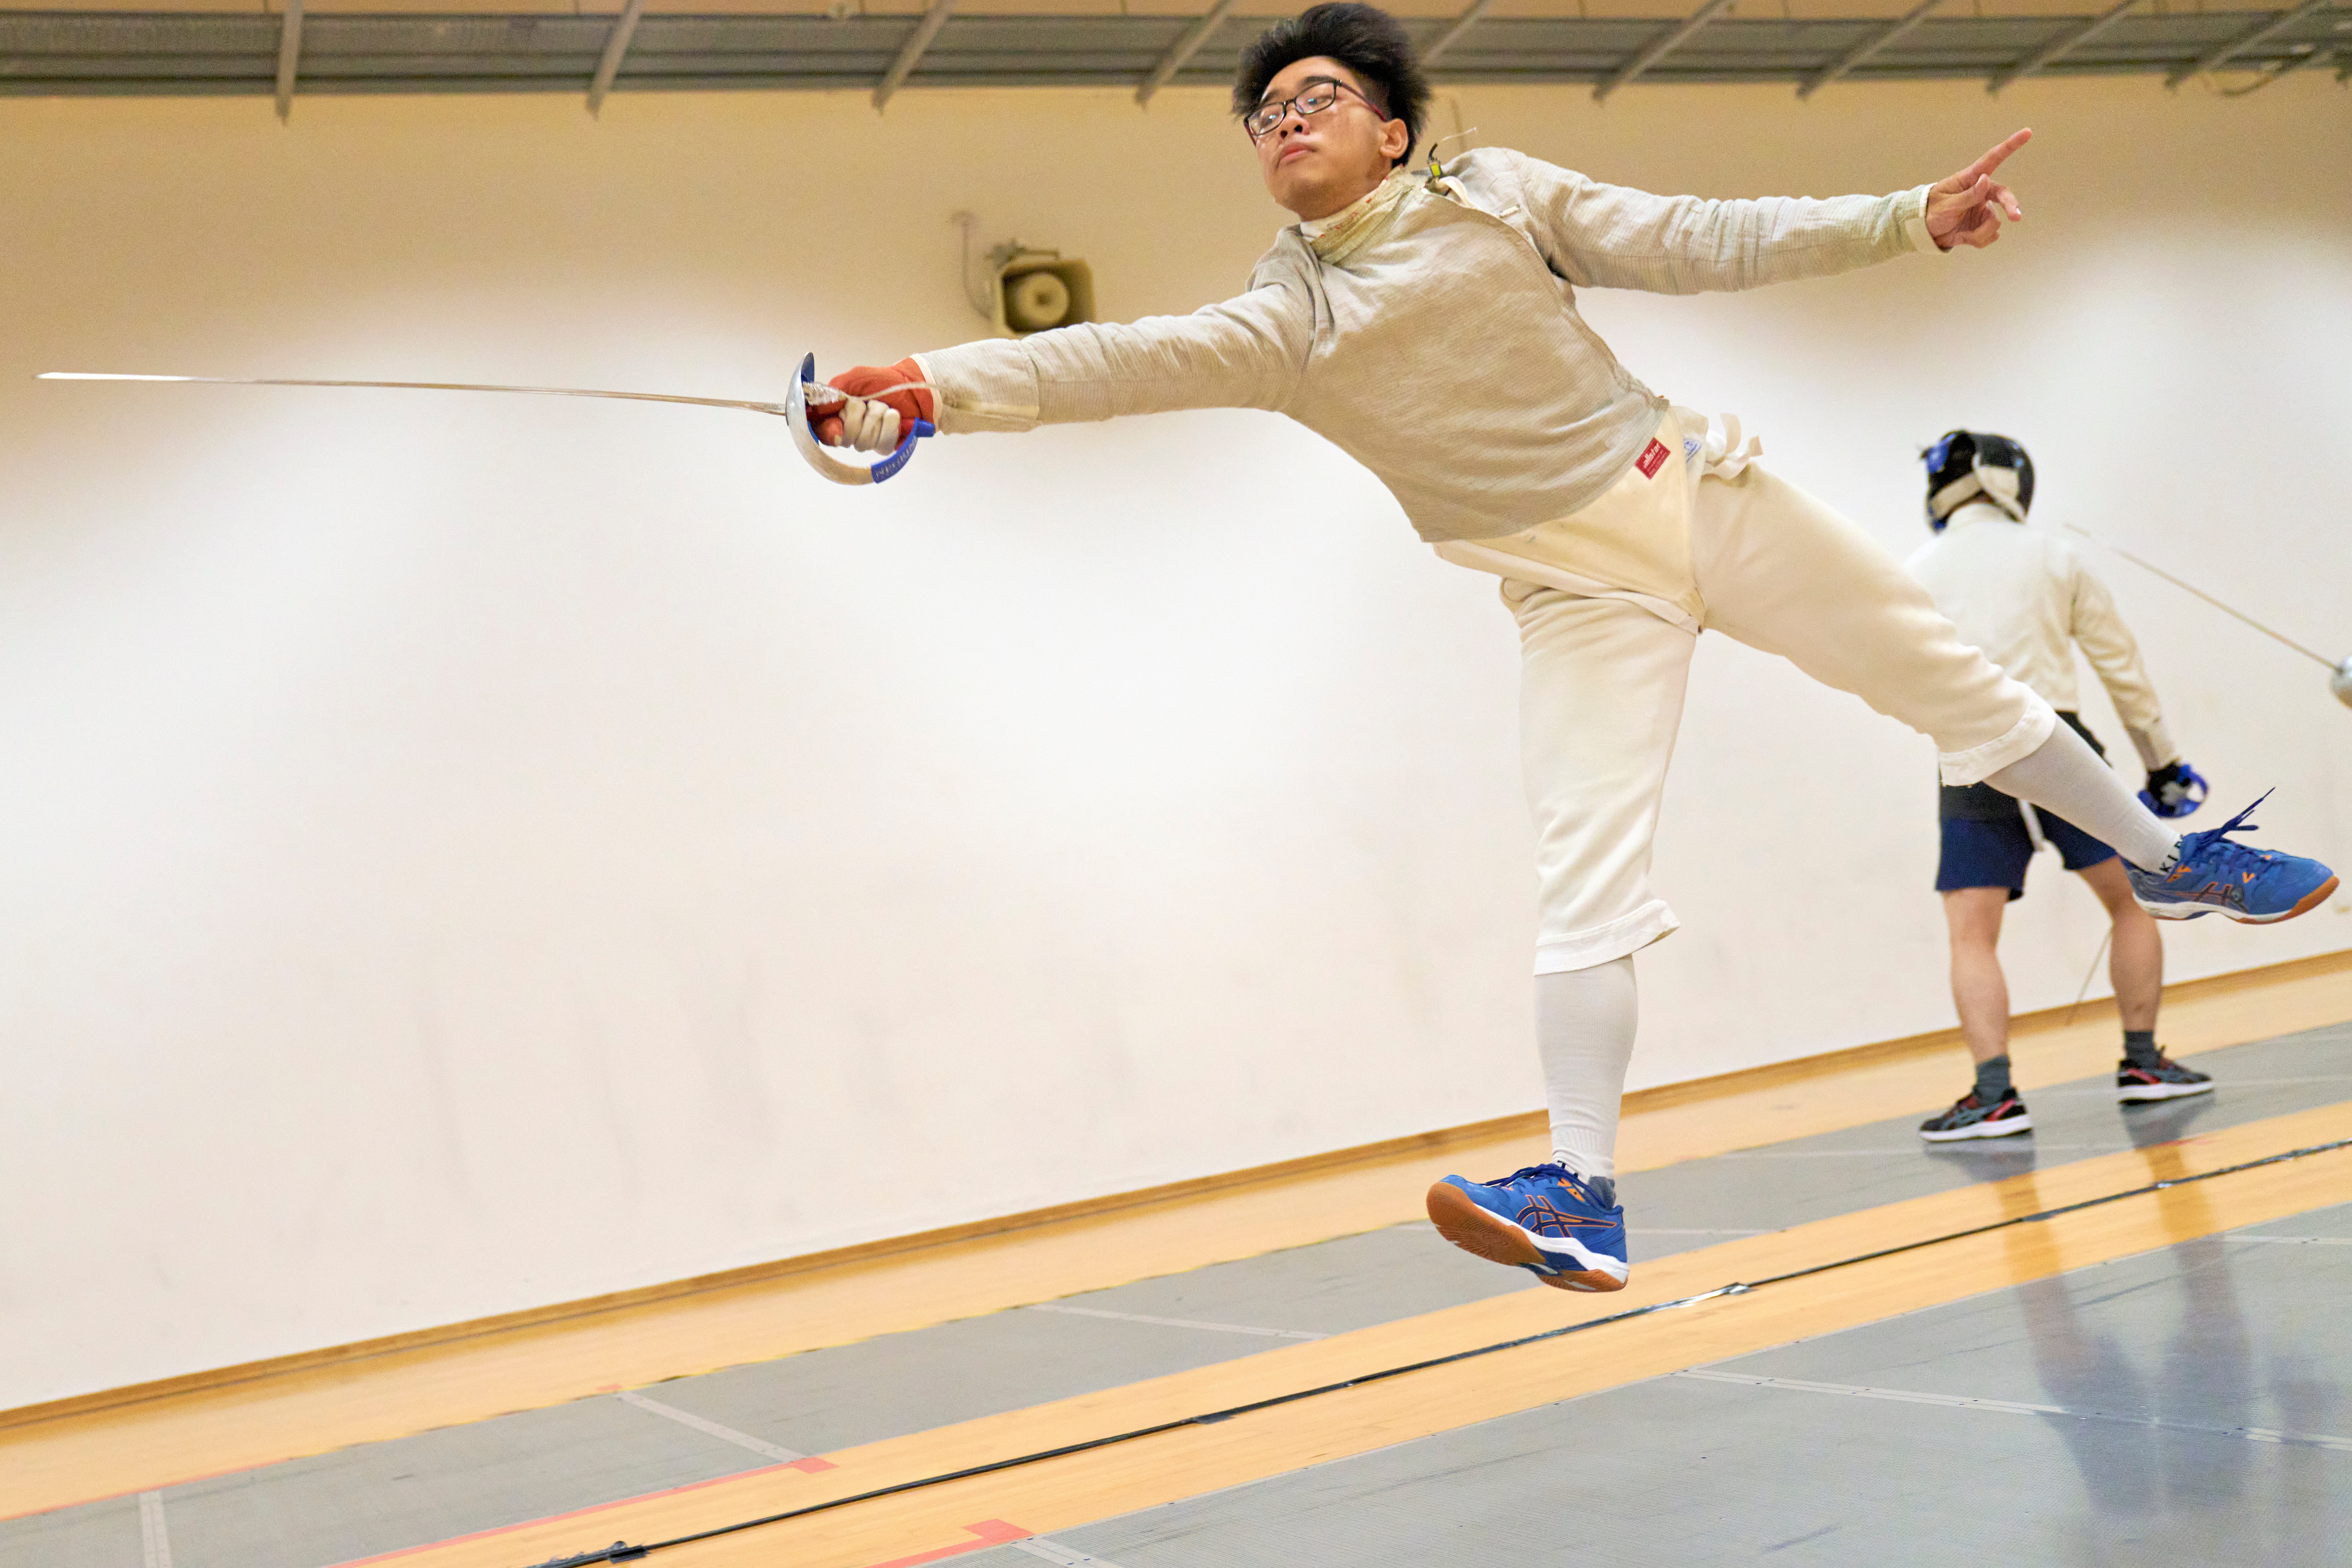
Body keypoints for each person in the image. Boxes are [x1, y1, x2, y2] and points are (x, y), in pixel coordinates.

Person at [812, 4, 2338, 1293]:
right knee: (1581, 874)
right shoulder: (1285, 320)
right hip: (1566, 591)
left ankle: (2157, 854)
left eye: (1315, 96)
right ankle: (1584, 1195)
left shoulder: (1495, 196)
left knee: (1949, 686)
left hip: (1693, 498)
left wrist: (1900, 217)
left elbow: (1693, 237)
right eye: (1262, 113)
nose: (1282, 121)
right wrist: (932, 388)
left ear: (1393, 130)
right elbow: (1113, 358)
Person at [1906, 433, 2222, 1143]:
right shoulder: (2055, 555)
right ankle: (2143, 1065)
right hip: (2060, 743)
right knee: (2135, 901)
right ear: (2011, 480)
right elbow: (2123, 668)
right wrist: (2164, 763)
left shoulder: (1915, 570)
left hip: (1969, 749)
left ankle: (1994, 1096)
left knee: (1971, 933)